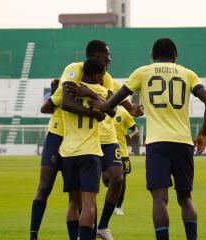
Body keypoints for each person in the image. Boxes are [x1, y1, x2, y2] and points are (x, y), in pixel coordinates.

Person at [93, 38, 206, 240]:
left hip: (157, 143)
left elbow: (111, 104)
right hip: (183, 142)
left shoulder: (142, 72)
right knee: (185, 198)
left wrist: (95, 99)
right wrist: (202, 133)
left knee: (160, 199)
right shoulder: (187, 73)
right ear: (175, 55)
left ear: (152, 55)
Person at [55, 39, 143, 240]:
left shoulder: (108, 78)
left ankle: (102, 226)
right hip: (88, 142)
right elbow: (102, 104)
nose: (110, 59)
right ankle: (88, 231)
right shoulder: (75, 71)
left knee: (117, 177)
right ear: (96, 57)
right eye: (107, 56)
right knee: (86, 197)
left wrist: (132, 109)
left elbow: (118, 96)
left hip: (107, 137)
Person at [60, 57, 111, 240]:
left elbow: (62, 103)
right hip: (90, 151)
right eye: (103, 73)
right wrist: (94, 101)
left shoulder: (70, 87)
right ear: (97, 74)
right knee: (89, 202)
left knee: (73, 202)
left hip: (68, 152)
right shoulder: (101, 91)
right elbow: (108, 112)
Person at [30, 78, 62, 240]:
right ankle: (33, 235)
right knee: (44, 188)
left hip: (77, 140)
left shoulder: (87, 87)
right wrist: (55, 91)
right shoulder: (63, 86)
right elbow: (45, 108)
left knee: (77, 193)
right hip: (55, 138)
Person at [112, 106, 138, 215]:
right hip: (105, 150)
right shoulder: (101, 109)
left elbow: (135, 130)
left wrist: (129, 136)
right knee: (106, 179)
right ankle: (111, 196)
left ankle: (118, 206)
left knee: (122, 181)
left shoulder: (123, 112)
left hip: (122, 153)